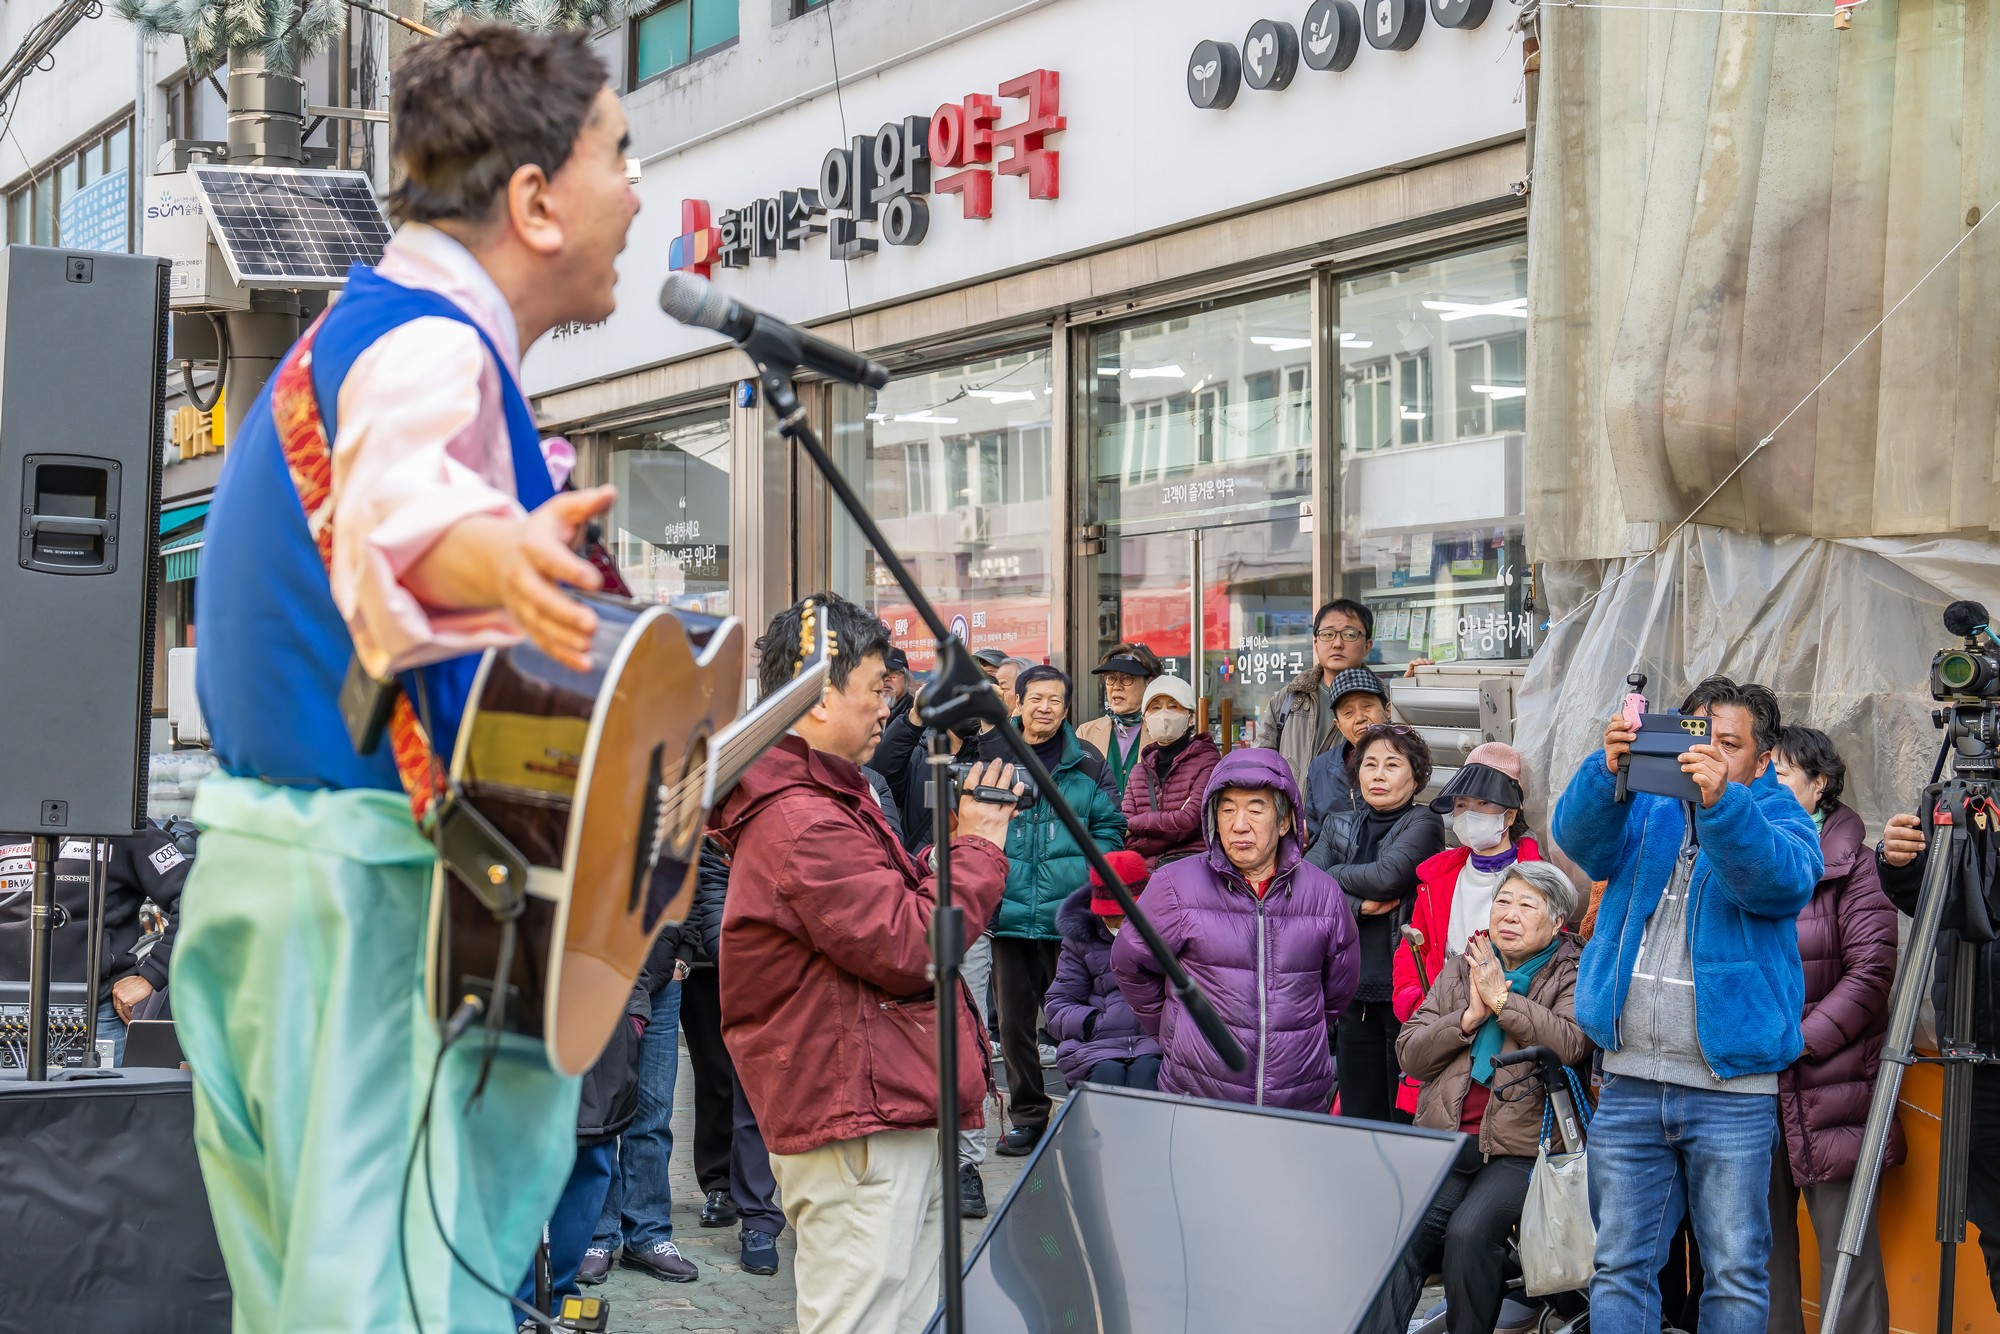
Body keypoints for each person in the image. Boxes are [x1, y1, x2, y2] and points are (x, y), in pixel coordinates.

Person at [169, 25, 638, 1329]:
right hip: (355, 913)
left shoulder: (367, 331)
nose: (636, 192)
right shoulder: (428, 347)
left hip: (305, 892)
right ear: (535, 201)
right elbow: (406, 508)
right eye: (619, 156)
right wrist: (501, 553)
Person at [711, 593, 1020, 1334]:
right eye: (878, 687)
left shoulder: (828, 800)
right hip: (858, 1122)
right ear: (818, 698)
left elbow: (883, 915)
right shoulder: (803, 818)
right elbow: (915, 946)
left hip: (882, 1106)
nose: (891, 705)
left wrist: (943, 861)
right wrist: (979, 847)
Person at [1553, 676, 1822, 1334]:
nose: (1709, 754)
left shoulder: (1780, 814)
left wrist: (1722, 804)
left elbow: (1777, 883)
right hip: (1629, 1079)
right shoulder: (1646, 802)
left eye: (1730, 744)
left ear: (1762, 760)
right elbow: (1580, 843)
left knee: (1733, 1272)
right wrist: (1607, 771)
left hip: (1732, 1090)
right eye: (1699, 736)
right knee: (1619, 1266)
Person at [1368, 861, 1590, 1334]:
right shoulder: (1464, 965)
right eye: (1503, 902)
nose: (1509, 914)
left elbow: (1570, 1044)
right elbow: (1411, 1054)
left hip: (1524, 1149)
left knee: (1470, 1232)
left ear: (1556, 922)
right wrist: (1468, 1018)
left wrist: (1503, 1002)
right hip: (1451, 1139)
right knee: (1401, 1231)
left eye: (1527, 905)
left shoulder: (1572, 970)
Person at [1112, 748, 1360, 1109]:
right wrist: (1174, 1030)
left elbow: (1338, 990)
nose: (1239, 824)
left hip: (1297, 1095)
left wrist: (1297, 1033)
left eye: (1256, 810)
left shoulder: (1323, 893)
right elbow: (1130, 963)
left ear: (1285, 821)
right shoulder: (1174, 885)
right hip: (1199, 1093)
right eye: (1227, 810)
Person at [1765, 727, 1901, 1334]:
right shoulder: (1748, 855)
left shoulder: (1856, 867)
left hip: (1830, 1084)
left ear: (1819, 785)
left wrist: (1796, 1042)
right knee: (1760, 1255)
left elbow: (1871, 976)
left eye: (1782, 775)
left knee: (1847, 1257)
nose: (1767, 785)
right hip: (1751, 1085)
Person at [989, 665, 1127, 1156]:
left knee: (1074, 1017)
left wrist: (1085, 878)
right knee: (1013, 1025)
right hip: (1008, 912)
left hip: (1068, 917)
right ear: (1019, 702)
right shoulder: (994, 755)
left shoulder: (1087, 760)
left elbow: (1111, 827)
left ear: (1067, 709)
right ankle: (1028, 1116)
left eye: (1055, 700)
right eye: (1036, 698)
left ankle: (1081, 1113)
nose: (1045, 708)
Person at [1308, 723, 1447, 1121]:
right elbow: (1305, 884)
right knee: (1358, 1115)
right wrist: (1359, 906)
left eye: (1392, 764)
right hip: (1350, 990)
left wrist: (1335, 875)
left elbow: (1388, 877)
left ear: (1415, 776)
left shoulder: (1423, 823)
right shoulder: (1338, 824)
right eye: (1369, 764)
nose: (1378, 774)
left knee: (1403, 1116)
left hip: (1405, 995)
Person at [0, 819, 196, 1064]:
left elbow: (198, 900)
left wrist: (152, 974)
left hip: (96, 1016)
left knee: (96, 1092)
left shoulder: (122, 823)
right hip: (6, 1006)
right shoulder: (9, 819)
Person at [520, 967, 654, 1315]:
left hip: (600, 1032)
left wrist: (634, 1015)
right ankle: (519, 1308)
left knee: (589, 1167)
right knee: (517, 1172)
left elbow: (630, 946)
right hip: (522, 1017)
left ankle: (557, 1301)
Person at [1392, 742, 1542, 1026]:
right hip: (1444, 1021)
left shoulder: (1540, 881)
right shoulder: (1438, 880)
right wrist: (1415, 1004)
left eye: (1483, 803)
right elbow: (1414, 949)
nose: (1469, 813)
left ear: (1510, 815)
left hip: (1510, 1023)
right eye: (1461, 805)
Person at [586, 921, 696, 1283]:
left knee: (654, 1115)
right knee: (600, 1117)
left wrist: (683, 955)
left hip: (663, 978)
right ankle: (597, 1237)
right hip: (601, 977)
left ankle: (648, 1236)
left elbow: (690, 893)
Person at [1044, 850, 1163, 1090]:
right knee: (1106, 1077)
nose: (1118, 924)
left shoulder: (1170, 928)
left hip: (1156, 1041)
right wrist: (1092, 1023)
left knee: (1147, 1074)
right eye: (1111, 916)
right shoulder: (1080, 939)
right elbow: (1058, 1004)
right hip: (1098, 1045)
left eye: (1125, 915)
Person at [1258, 598, 1383, 796]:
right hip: (1292, 813)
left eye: (1350, 634)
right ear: (1316, 644)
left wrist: (1414, 687)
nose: (1337, 644)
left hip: (1351, 813)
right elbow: (1261, 764)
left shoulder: (1383, 701)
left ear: (1367, 646)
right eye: (1328, 634)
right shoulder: (1288, 699)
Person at [1120, 674, 1221, 868]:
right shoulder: (1138, 772)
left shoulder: (1207, 761)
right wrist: (1170, 826)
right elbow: (1121, 830)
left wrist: (1136, 824)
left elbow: (1190, 821)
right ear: (1145, 720)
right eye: (1155, 707)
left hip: (1191, 867)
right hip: (1146, 873)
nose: (1164, 715)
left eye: (1173, 706)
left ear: (1191, 717)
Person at [1302, 666, 1394, 838]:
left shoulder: (1406, 759)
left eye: (1367, 706)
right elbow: (1317, 837)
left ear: (1387, 710)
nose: (1359, 718)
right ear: (1338, 725)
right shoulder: (1320, 768)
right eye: (1348, 712)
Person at [1078, 642, 1162, 796]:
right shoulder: (1086, 733)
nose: (1116, 686)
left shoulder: (1163, 732)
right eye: (1111, 678)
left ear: (1149, 682)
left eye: (1126, 678)